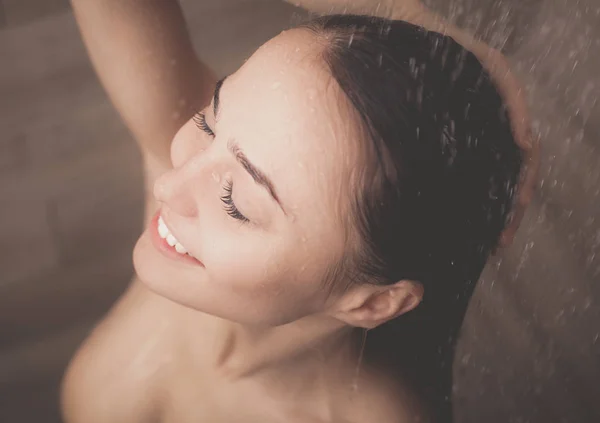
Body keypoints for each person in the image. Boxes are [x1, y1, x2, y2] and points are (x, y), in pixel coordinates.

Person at [61, 1, 539, 422]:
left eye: (237, 202)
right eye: (210, 118)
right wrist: (403, 12)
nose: (169, 182)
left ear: (372, 303)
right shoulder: (191, 180)